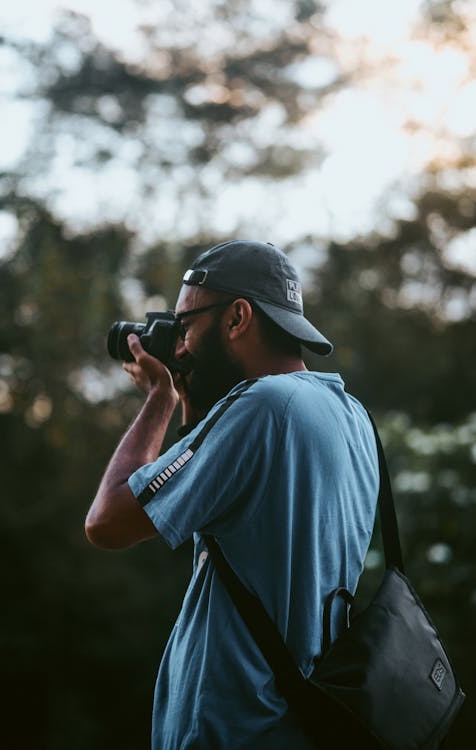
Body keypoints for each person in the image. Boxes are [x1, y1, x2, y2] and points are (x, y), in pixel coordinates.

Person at [85, 240, 379, 750]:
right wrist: (188, 394)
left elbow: (107, 521)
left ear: (238, 318)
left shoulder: (263, 405)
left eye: (186, 326)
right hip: (295, 724)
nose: (178, 346)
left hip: (237, 729)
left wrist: (160, 398)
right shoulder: (350, 416)